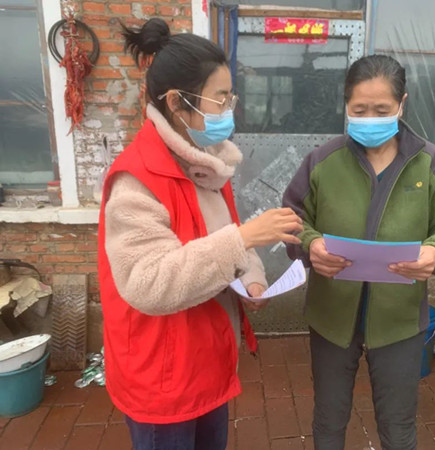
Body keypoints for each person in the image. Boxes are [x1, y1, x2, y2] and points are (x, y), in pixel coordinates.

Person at [97, 18, 303, 450]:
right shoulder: (136, 180)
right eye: (221, 98)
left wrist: (253, 280)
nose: (230, 108)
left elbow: (226, 236)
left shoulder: (207, 164)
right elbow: (148, 283)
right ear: (177, 102)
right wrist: (243, 240)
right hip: (162, 377)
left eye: (231, 96)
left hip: (207, 361)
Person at [282, 55, 435, 450]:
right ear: (346, 105)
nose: (370, 119)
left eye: (382, 110)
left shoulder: (429, 164)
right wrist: (310, 244)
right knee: (329, 418)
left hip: (399, 319)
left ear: (402, 104)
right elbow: (291, 219)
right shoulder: (323, 161)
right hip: (332, 315)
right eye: (359, 110)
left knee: (398, 427)